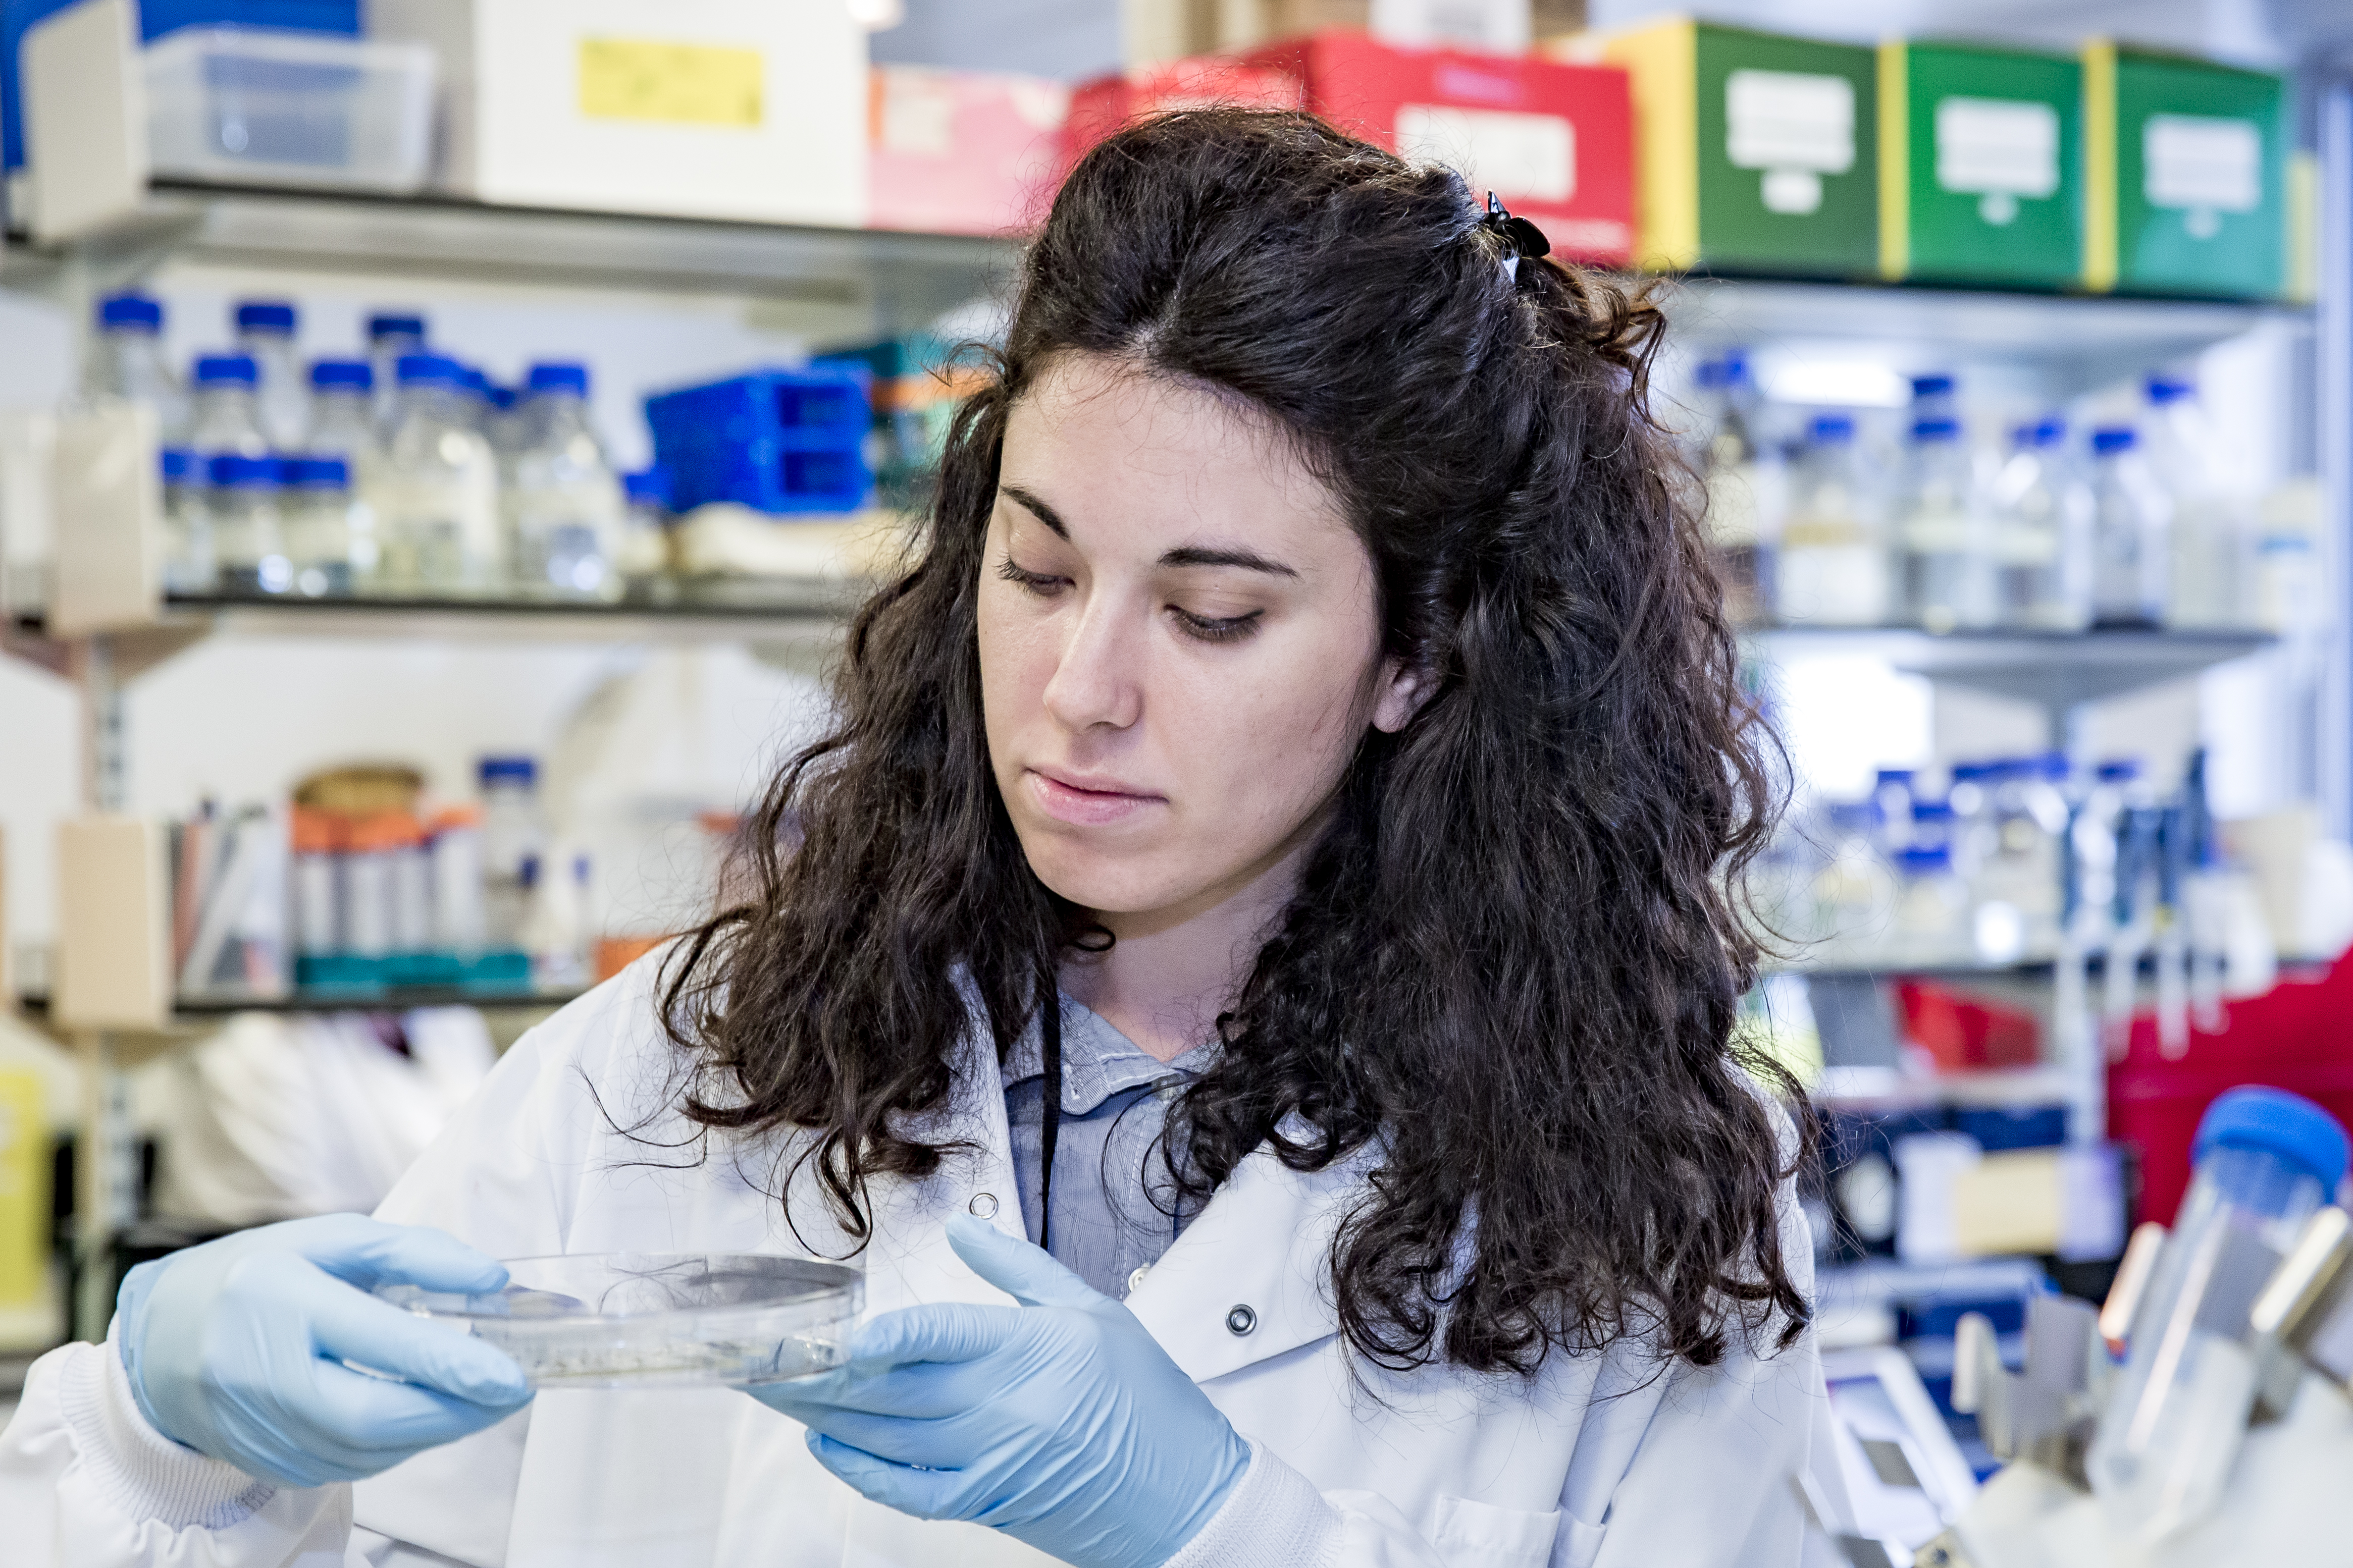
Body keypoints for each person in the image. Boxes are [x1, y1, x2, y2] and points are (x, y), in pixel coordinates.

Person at [2, 111, 1832, 1567]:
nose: (1079, 688)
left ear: (1422, 654)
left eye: (1211, 617)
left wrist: (1215, 1525)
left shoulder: (1643, 1196)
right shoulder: (691, 1071)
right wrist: (170, 1441)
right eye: (1037, 570)